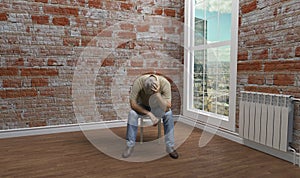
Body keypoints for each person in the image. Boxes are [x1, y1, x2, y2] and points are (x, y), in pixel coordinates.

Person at [122, 74, 179, 159]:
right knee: (132, 114)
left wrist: (157, 94)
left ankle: (170, 146)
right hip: (144, 106)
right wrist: (149, 114)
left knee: (168, 114)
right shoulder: (138, 82)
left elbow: (167, 107)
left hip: (158, 106)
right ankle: (130, 146)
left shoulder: (165, 83)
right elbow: (133, 104)